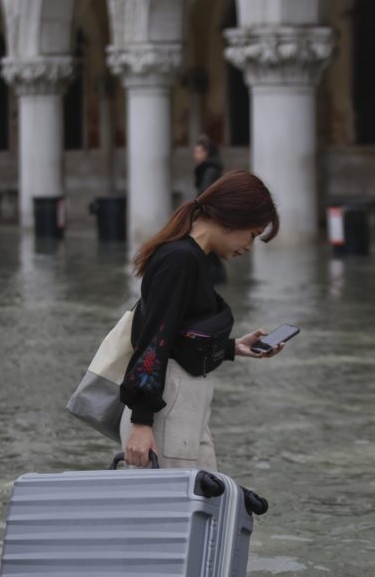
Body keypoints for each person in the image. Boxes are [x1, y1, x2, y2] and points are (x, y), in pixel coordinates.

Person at [119, 169, 284, 470]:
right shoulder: (180, 259)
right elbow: (153, 339)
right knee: (174, 512)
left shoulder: (189, 258)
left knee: (204, 507)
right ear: (233, 218)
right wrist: (142, 423)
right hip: (166, 412)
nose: (248, 246)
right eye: (252, 234)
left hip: (182, 411)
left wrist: (233, 348)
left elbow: (177, 336)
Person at [193, 135, 227, 284]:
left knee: (209, 253)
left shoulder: (209, 170)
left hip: (209, 218)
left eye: (199, 151)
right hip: (210, 217)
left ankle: (213, 281)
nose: (196, 155)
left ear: (207, 153)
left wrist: (199, 214)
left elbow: (205, 194)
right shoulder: (209, 169)